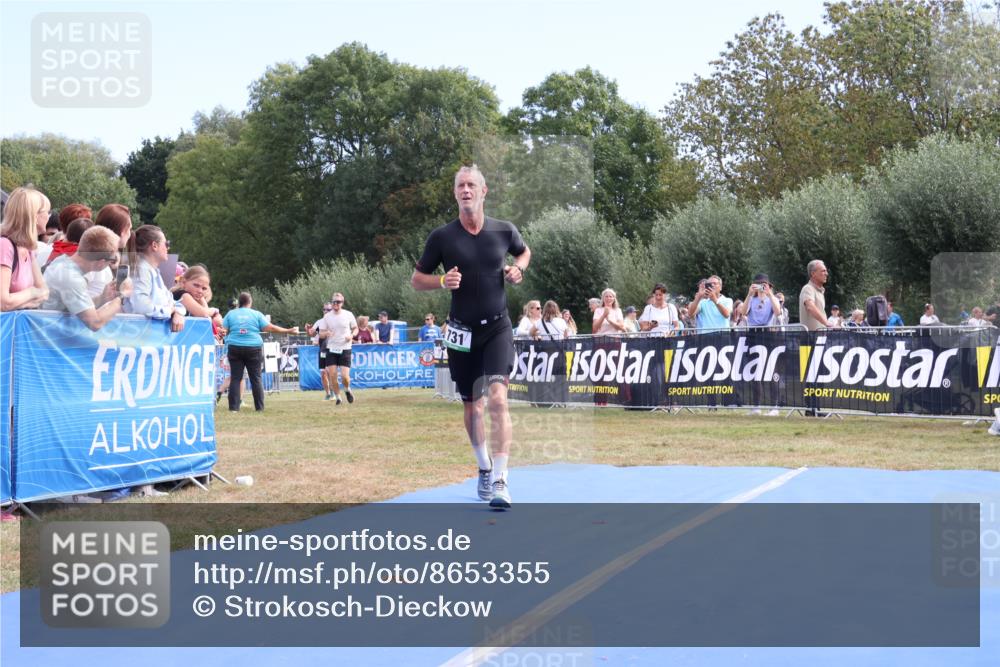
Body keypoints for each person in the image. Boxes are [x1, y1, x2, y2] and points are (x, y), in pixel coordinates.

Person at [410, 164, 530, 509]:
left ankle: (501, 479)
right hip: (460, 331)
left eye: (471, 185)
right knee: (472, 405)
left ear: (483, 191)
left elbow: (524, 251)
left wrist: (518, 268)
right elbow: (417, 280)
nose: (465, 190)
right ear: (455, 193)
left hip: (497, 327)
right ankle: (483, 467)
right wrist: (440, 281)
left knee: (497, 399)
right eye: (460, 185)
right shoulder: (442, 237)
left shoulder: (504, 231)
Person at [221, 291, 298, 412]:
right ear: (250, 302)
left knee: (236, 378)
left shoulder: (231, 314)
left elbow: (223, 330)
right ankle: (259, 408)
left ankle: (233, 409)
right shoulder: (256, 314)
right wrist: (288, 330)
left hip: (235, 347)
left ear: (239, 303)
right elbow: (270, 328)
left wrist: (224, 335)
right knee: (256, 378)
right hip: (253, 348)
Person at [41, 226, 131, 330]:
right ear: (101, 263)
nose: (113, 262)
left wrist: (103, 298)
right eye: (112, 259)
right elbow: (95, 323)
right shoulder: (72, 278)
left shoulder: (62, 261)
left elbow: (81, 309)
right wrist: (122, 297)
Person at [122, 225, 186, 332]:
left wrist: (178, 313)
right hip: (136, 336)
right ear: (154, 246)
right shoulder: (142, 270)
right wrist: (168, 311)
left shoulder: (152, 271)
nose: (168, 248)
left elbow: (174, 303)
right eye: (166, 244)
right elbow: (141, 306)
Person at [0, 187, 50, 311]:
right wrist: (31, 293)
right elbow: (3, 303)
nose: (49, 217)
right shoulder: (5, 246)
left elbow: (45, 293)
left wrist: (19, 301)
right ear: (34, 216)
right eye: (47, 212)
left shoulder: (28, 249)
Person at [315, 292, 358, 405]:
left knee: (345, 377)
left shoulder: (348, 314)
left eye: (338, 302)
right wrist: (326, 333)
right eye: (334, 301)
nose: (335, 303)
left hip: (345, 348)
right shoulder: (327, 317)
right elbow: (321, 334)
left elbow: (355, 328)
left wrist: (352, 336)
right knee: (332, 375)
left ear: (342, 303)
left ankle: (347, 389)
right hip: (331, 349)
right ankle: (338, 397)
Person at [86, 203, 133, 302]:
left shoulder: (94, 255)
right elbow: (74, 305)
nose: (130, 234)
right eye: (129, 229)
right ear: (122, 231)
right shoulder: (94, 261)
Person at [306, 302, 335, 398]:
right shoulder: (319, 322)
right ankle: (327, 394)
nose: (326, 311)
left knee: (329, 371)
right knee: (323, 373)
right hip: (322, 350)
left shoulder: (335, 322)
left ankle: (333, 392)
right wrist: (308, 329)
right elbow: (311, 333)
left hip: (332, 350)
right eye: (324, 309)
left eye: (328, 310)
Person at [799, 260, 830, 331]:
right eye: (823, 271)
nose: (826, 273)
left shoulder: (819, 291)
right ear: (813, 273)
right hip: (810, 338)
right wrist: (827, 323)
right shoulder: (808, 288)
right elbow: (810, 307)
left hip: (820, 336)